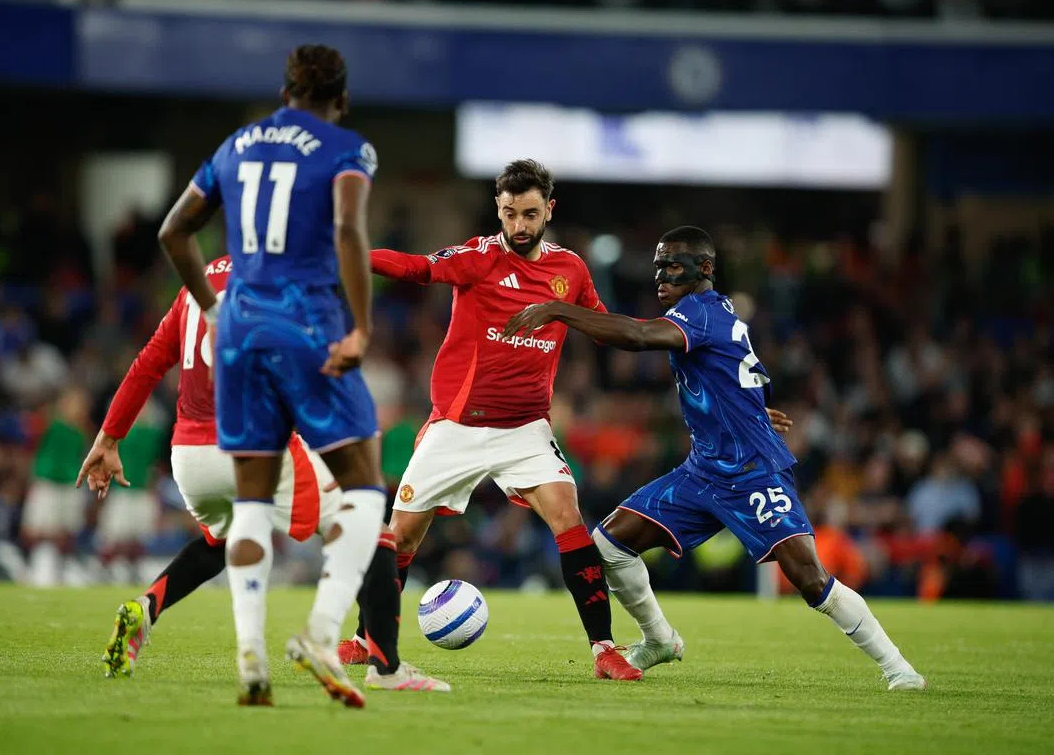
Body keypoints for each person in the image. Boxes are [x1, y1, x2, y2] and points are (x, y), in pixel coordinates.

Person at [503, 225, 927, 691]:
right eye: (658, 266)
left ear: (705, 268)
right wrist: (752, 410)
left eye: (673, 266)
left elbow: (638, 336)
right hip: (703, 470)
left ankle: (899, 668)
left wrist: (560, 310)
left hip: (751, 471)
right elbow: (738, 373)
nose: (661, 276)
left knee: (809, 577)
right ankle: (659, 639)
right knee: (607, 546)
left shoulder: (700, 312)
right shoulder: (711, 313)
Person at [78, 256, 448, 696]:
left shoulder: (197, 285)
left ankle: (146, 606)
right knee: (376, 533)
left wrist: (108, 439)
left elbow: (148, 364)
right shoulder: (282, 279)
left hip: (190, 458)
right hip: (252, 445)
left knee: (220, 539)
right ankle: (385, 669)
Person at [339, 159, 642, 680]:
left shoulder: (570, 270)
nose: (519, 226)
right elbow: (414, 267)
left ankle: (604, 649)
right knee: (402, 535)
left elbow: (603, 325)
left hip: (525, 429)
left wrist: (660, 334)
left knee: (568, 518)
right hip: (456, 426)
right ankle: (368, 639)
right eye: (508, 214)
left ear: (549, 209)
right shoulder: (478, 257)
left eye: (528, 214)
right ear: (497, 210)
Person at [156, 44, 393, 706]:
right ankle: (321, 631)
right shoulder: (346, 148)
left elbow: (174, 233)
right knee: (365, 483)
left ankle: (250, 658)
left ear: (286, 90)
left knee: (251, 500)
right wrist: (362, 329)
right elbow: (348, 229)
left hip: (238, 331)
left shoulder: (235, 146)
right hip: (306, 324)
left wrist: (212, 306)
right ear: (339, 98)